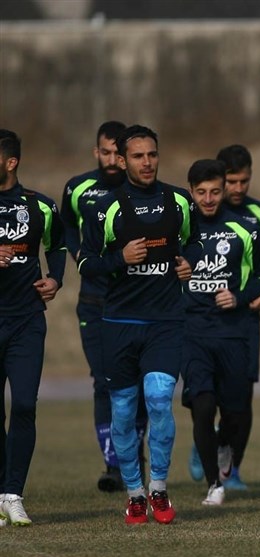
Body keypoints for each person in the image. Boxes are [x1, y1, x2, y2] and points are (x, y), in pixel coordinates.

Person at [78, 125, 202, 524]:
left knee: (160, 400)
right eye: (137, 156)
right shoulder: (104, 208)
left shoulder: (178, 201)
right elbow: (85, 262)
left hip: (165, 321)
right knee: (124, 410)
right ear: (121, 160)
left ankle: (159, 488)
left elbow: (196, 241)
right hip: (118, 323)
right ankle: (134, 493)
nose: (146, 162)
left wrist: (189, 261)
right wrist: (120, 259)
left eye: (152, 154)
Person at [61, 120, 149, 493]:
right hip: (94, 301)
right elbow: (66, 226)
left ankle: (135, 458)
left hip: (136, 301)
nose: (112, 160)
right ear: (96, 152)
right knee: (104, 382)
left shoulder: (146, 192)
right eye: (106, 152)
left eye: (118, 153)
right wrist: (78, 253)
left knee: (139, 385)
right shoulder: (78, 188)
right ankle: (113, 464)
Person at [181, 159, 260, 507]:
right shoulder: (177, 230)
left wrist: (239, 296)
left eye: (215, 192)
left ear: (223, 190)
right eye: (201, 192)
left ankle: (224, 447)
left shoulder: (245, 228)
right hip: (192, 334)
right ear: (191, 192)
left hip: (234, 334)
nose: (208, 199)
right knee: (202, 407)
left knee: (235, 412)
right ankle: (213, 485)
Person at [200, 144, 260, 491]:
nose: (237, 189)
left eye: (244, 181)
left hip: (246, 319)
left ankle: (231, 465)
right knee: (207, 395)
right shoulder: (199, 217)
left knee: (241, 397)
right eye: (231, 182)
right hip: (203, 322)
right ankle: (206, 440)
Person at [0, 129, 66, 527]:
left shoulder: (39, 205)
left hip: (26, 320)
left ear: (11, 162)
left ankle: (13, 494)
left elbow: (58, 245)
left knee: (24, 404)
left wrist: (56, 278)